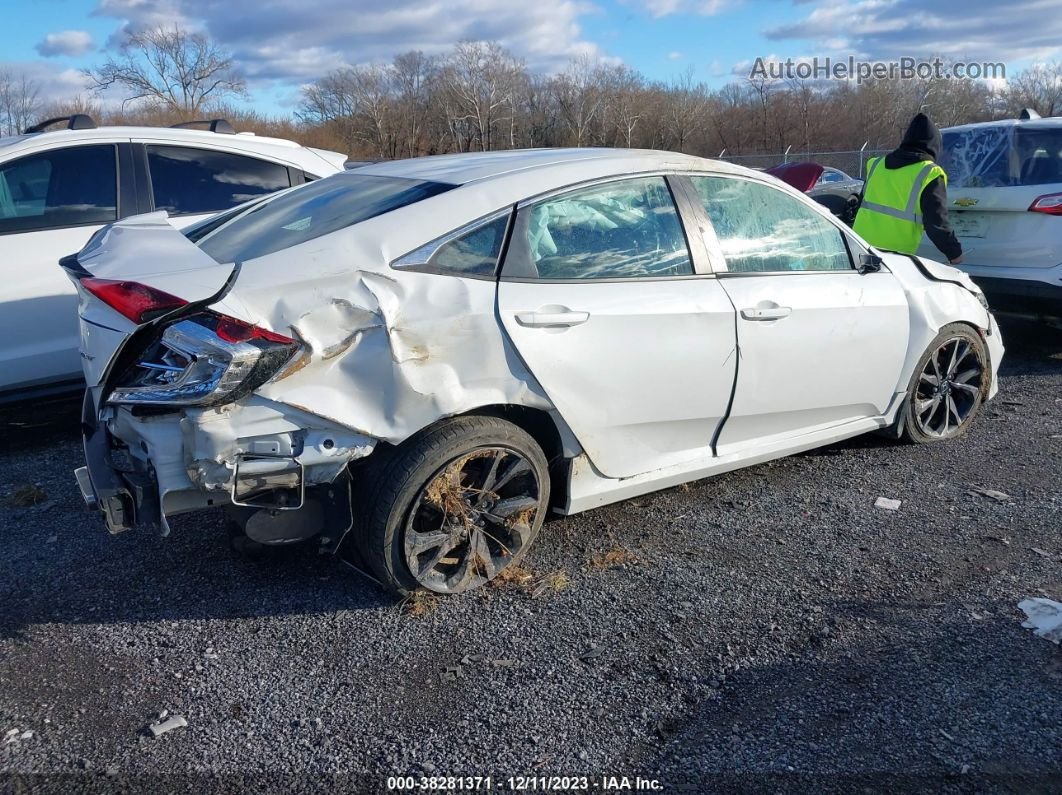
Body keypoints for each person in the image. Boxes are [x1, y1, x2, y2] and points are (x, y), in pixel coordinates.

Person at [853, 113, 963, 264]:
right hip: (894, 256)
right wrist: (954, 253)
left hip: (859, 245)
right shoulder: (930, 173)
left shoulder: (876, 164)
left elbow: (861, 204)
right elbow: (936, 222)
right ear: (934, 145)